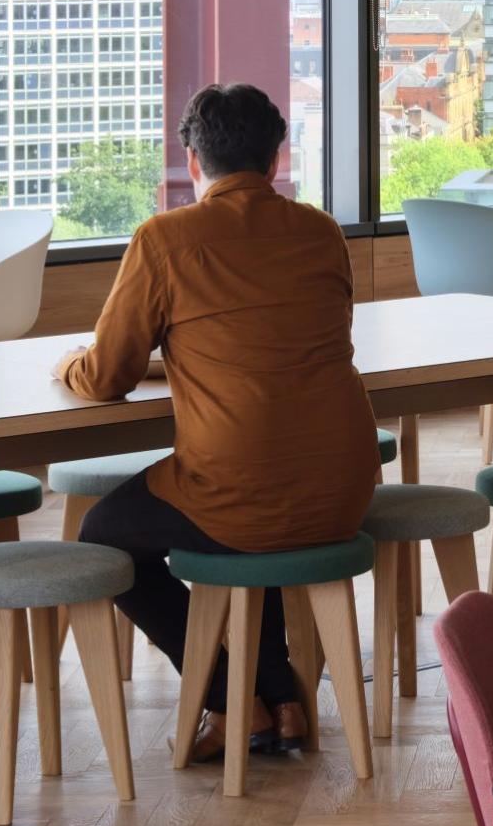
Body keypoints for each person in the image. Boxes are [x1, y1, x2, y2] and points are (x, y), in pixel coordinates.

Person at [59, 83, 380, 763]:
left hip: (242, 486)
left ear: (193, 159)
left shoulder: (165, 238)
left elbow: (107, 374)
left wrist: (68, 365)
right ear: (276, 157)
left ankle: (228, 699)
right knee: (245, 523)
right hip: (345, 482)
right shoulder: (320, 230)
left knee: (100, 539)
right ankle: (284, 701)